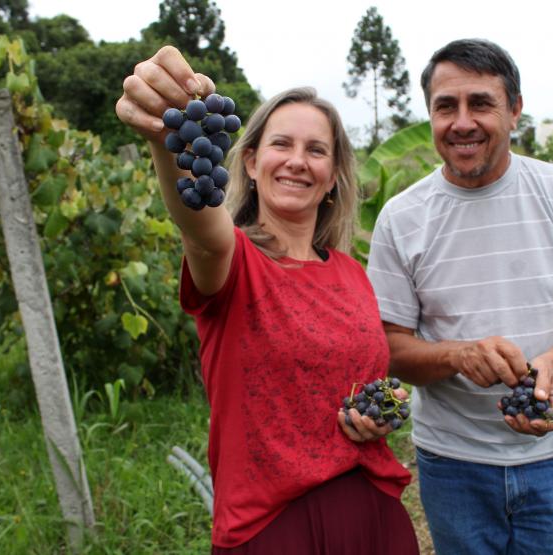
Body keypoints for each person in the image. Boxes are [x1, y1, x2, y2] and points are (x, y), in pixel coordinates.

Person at [115, 46, 419, 554]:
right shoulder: (234, 263)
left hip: (374, 516)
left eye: (317, 150)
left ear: (332, 177)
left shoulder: (352, 275)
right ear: (252, 163)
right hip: (273, 530)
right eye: (282, 144)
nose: (298, 161)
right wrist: (166, 144)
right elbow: (202, 228)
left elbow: (359, 381)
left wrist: (379, 411)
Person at [367, 38, 553, 554]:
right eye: (446, 106)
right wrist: (457, 355)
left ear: (514, 111)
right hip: (452, 463)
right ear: (431, 116)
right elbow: (391, 349)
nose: (462, 122)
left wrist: (552, 361)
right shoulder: (401, 217)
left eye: (481, 103)